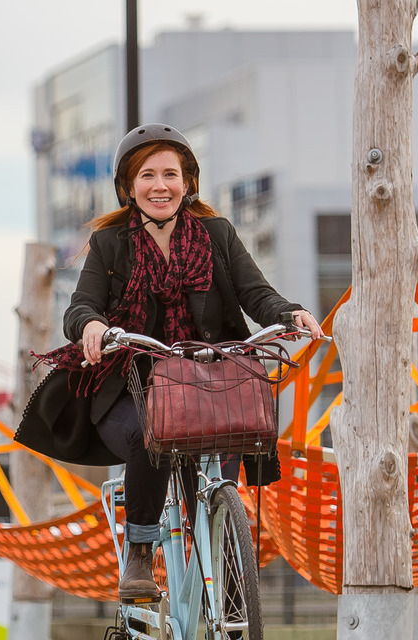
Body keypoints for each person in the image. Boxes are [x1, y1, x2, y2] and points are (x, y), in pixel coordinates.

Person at [57, 123, 323, 602]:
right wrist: (92, 326)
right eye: (148, 176)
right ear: (128, 187)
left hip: (209, 383)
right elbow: (79, 308)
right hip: (133, 387)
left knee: (227, 457)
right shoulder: (110, 244)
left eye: (171, 175)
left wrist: (289, 313)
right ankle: (140, 554)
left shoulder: (217, 235)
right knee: (148, 431)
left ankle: (229, 572)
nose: (160, 186)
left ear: (188, 182)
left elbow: (255, 294)